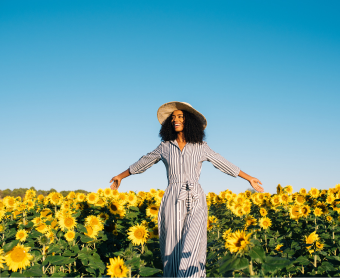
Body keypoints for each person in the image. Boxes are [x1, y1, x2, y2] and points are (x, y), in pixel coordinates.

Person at [109, 101, 263, 278]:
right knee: (172, 246)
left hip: (196, 197)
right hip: (173, 198)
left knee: (194, 242)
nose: (175, 120)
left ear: (188, 121)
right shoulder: (165, 147)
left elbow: (222, 162)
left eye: (180, 117)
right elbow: (143, 162)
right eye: (173, 117)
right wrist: (121, 176)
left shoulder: (201, 147)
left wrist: (249, 178)